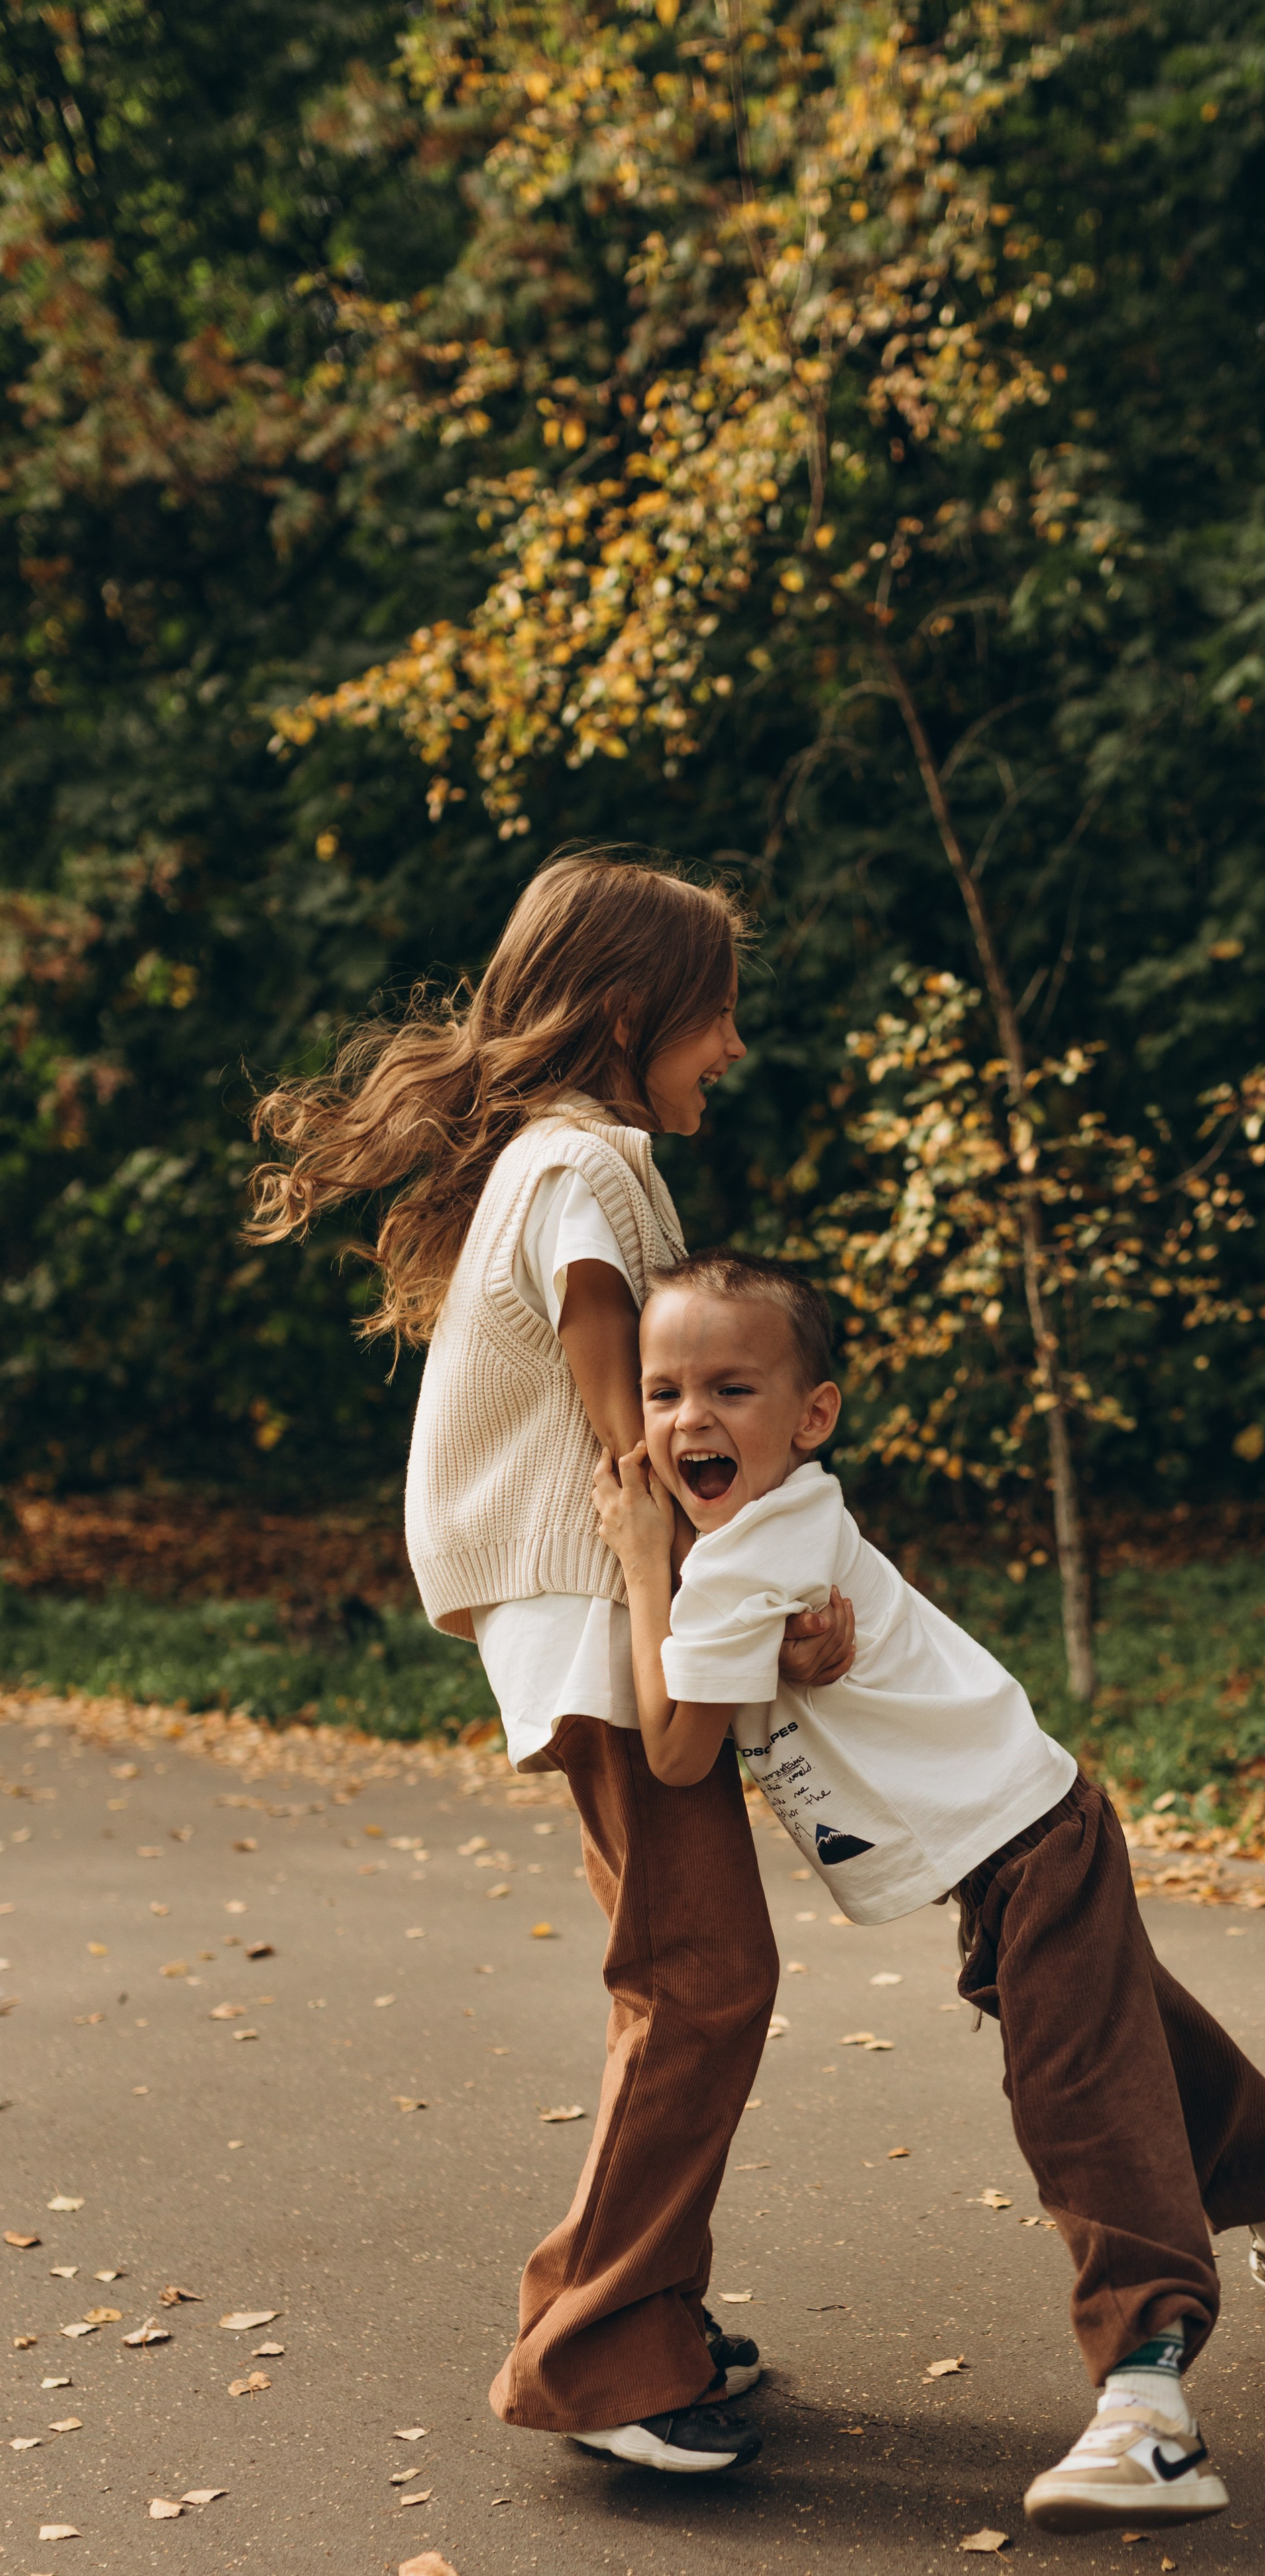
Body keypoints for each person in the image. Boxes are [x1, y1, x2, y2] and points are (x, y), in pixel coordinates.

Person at [593, 1246, 1265, 2533]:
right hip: (1025, 1829)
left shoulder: (731, 1563)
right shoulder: (781, 1522)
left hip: (1024, 1844)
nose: (691, 1420)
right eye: (664, 1392)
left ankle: (1149, 2406)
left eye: (732, 1389)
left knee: (1081, 2102)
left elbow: (679, 1747)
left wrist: (641, 1561)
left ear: (813, 1413)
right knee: (1149, 2053)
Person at [247, 851, 854, 2479]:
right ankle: (598, 2357)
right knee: (699, 1978)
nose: (732, 1048)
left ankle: (624, 2306)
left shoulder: (566, 1160)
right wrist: (752, 1593)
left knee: (683, 1975)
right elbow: (634, 1440)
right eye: (715, 1017)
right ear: (626, 1013)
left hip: (589, 1613)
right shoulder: (583, 1173)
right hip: (597, 1615)